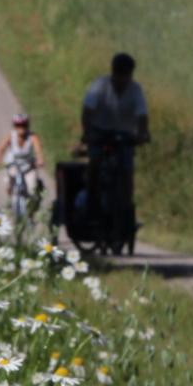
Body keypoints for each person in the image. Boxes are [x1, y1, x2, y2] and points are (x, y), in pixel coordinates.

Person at [77, 52, 149, 246]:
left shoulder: (135, 90)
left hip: (124, 136)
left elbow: (142, 116)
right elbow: (87, 111)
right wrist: (87, 132)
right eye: (120, 74)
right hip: (100, 133)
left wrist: (143, 134)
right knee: (95, 165)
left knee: (127, 172)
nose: (123, 79)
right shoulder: (100, 86)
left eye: (126, 74)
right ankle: (92, 202)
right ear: (113, 72)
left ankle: (125, 208)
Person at [0, 112, 45, 221]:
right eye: (18, 125)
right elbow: (1, 148)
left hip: (28, 167)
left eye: (23, 125)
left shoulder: (32, 137)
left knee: (32, 189)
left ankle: (31, 211)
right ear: (14, 126)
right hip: (13, 165)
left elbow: (38, 149)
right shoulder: (10, 136)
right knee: (9, 184)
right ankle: (12, 202)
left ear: (27, 125)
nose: (21, 128)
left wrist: (40, 159)